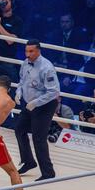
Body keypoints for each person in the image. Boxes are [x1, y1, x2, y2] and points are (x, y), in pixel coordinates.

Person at [14, 39, 60, 181]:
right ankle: (28, 161)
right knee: (19, 129)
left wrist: (36, 102)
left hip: (45, 105)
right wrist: (19, 91)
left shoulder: (47, 67)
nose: (28, 54)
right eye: (26, 51)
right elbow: (22, 81)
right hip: (29, 103)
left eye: (31, 51)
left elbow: (54, 92)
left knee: (38, 138)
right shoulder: (25, 63)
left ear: (38, 50)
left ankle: (48, 172)